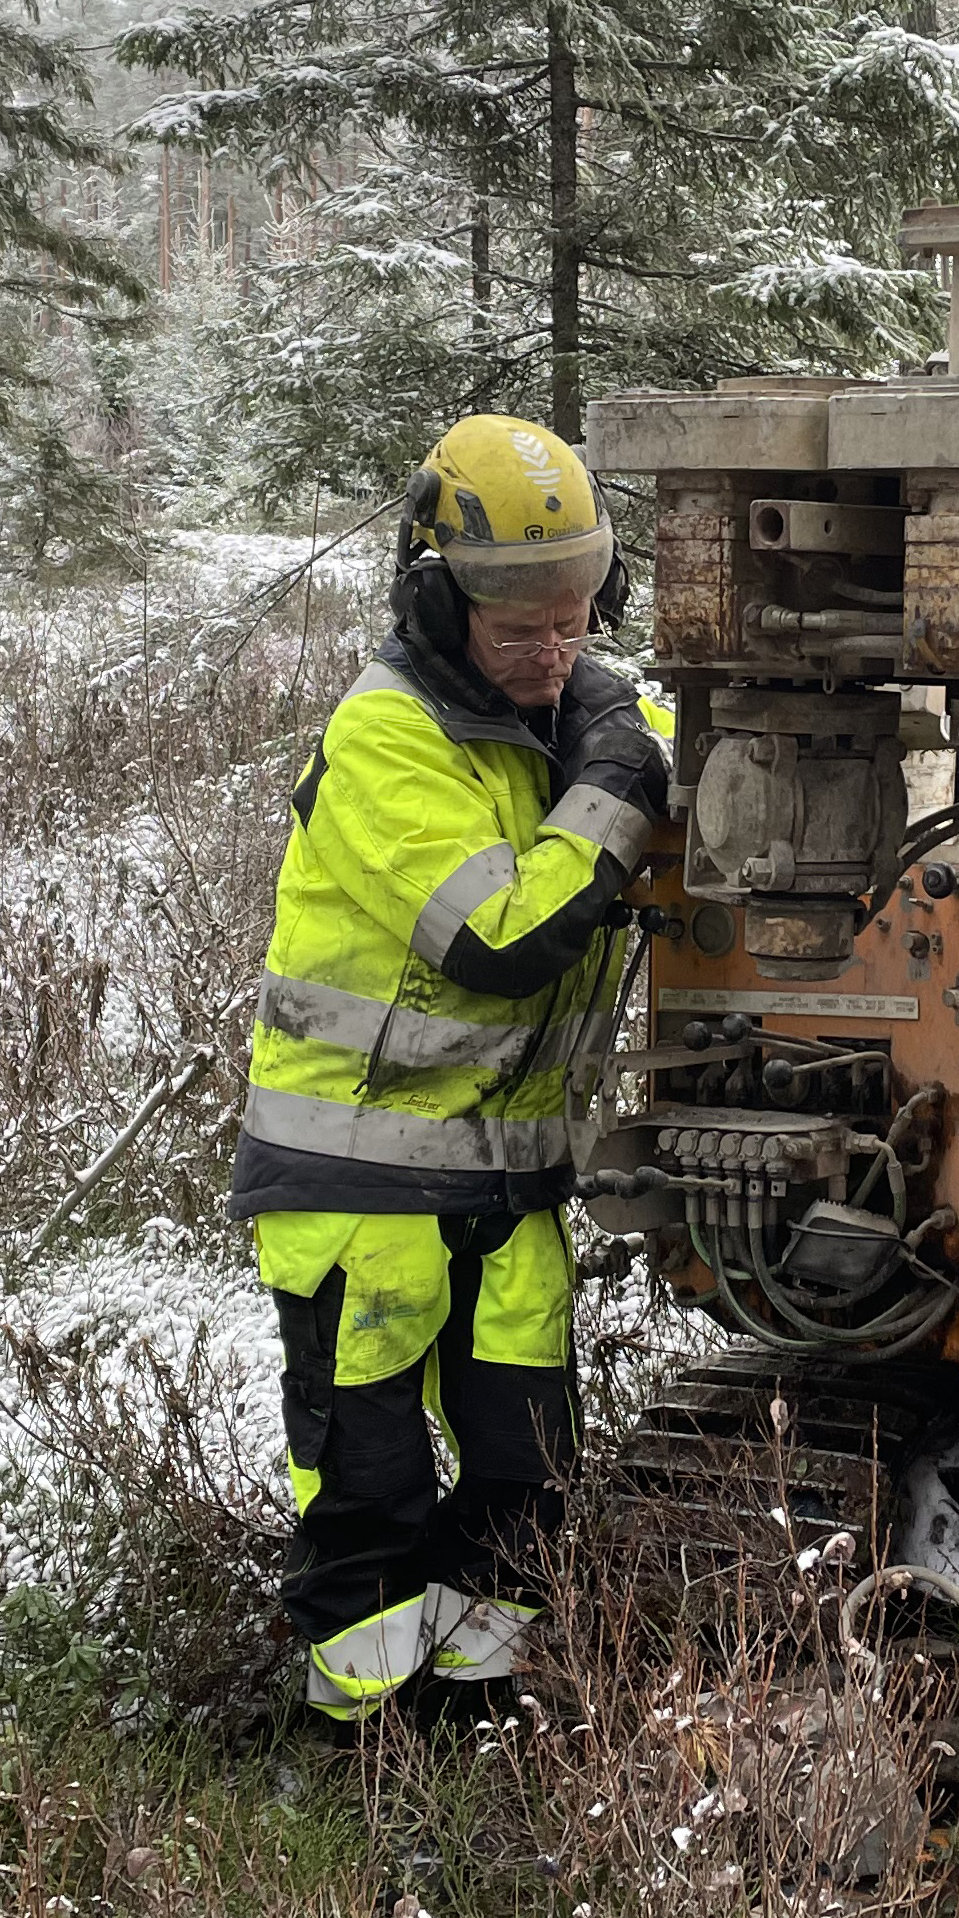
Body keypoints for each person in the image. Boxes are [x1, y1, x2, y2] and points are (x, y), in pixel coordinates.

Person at [231, 414, 671, 1724]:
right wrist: (614, 785)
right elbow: (500, 941)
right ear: (436, 600)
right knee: (370, 1491)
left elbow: (672, 760)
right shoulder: (386, 740)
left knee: (526, 1476)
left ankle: (484, 1722)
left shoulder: (577, 711)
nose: (553, 653)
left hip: (507, 1176)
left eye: (575, 623)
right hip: (359, 1181)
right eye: (519, 629)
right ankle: (360, 1747)